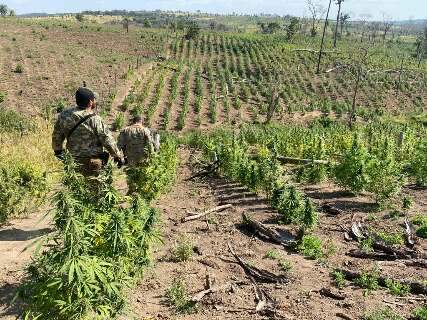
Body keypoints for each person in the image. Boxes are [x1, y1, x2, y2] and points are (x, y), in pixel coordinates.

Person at [52, 87, 124, 176]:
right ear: (90, 102)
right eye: (94, 99)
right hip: (93, 163)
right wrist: (117, 156)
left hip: (73, 161)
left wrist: (58, 151)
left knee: (76, 187)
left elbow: (57, 136)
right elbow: (106, 139)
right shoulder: (95, 119)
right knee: (94, 188)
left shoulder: (64, 115)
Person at [118, 115, 160, 194]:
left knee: (131, 173)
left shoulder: (125, 130)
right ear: (141, 121)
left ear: (133, 121)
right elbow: (150, 144)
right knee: (142, 173)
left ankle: (132, 190)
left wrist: (118, 157)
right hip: (142, 156)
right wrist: (152, 156)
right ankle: (140, 190)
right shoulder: (145, 130)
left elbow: (119, 145)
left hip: (130, 157)